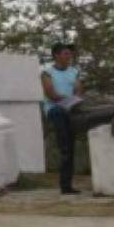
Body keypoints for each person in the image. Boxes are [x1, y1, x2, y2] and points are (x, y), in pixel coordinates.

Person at [41, 42, 85, 195]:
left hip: (70, 109)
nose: (69, 56)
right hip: (56, 110)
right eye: (66, 53)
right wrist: (68, 100)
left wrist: (75, 99)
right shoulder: (47, 72)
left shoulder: (74, 71)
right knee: (65, 147)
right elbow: (50, 94)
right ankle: (65, 184)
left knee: (71, 146)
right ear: (56, 55)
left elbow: (79, 91)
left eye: (69, 54)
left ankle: (67, 185)